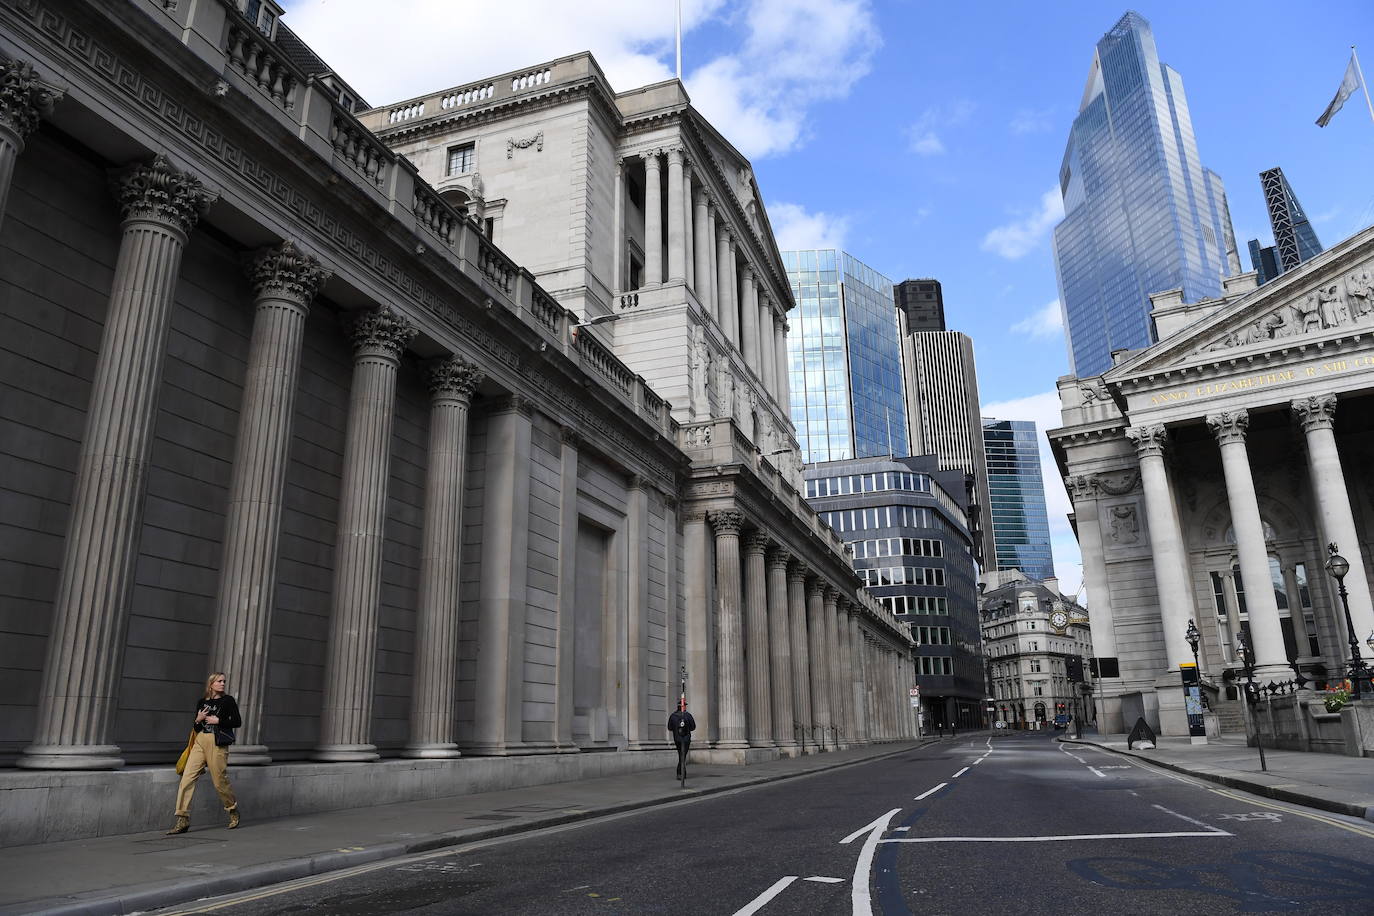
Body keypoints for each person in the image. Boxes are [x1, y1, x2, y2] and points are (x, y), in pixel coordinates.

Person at [166, 672, 241, 835]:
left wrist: (218, 721)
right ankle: (182, 818)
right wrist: (198, 719)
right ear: (211, 684)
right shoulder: (202, 702)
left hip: (217, 742)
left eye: (224, 681)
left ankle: (232, 809)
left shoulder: (228, 701)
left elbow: (237, 721)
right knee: (187, 778)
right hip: (200, 741)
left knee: (219, 781)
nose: (222, 684)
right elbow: (197, 728)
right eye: (219, 681)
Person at [667, 700, 695, 779]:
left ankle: (681, 773)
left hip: (677, 739)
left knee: (681, 755)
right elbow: (693, 727)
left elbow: (669, 728)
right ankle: (681, 773)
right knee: (683, 756)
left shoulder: (673, 716)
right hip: (686, 740)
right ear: (684, 706)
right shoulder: (688, 715)